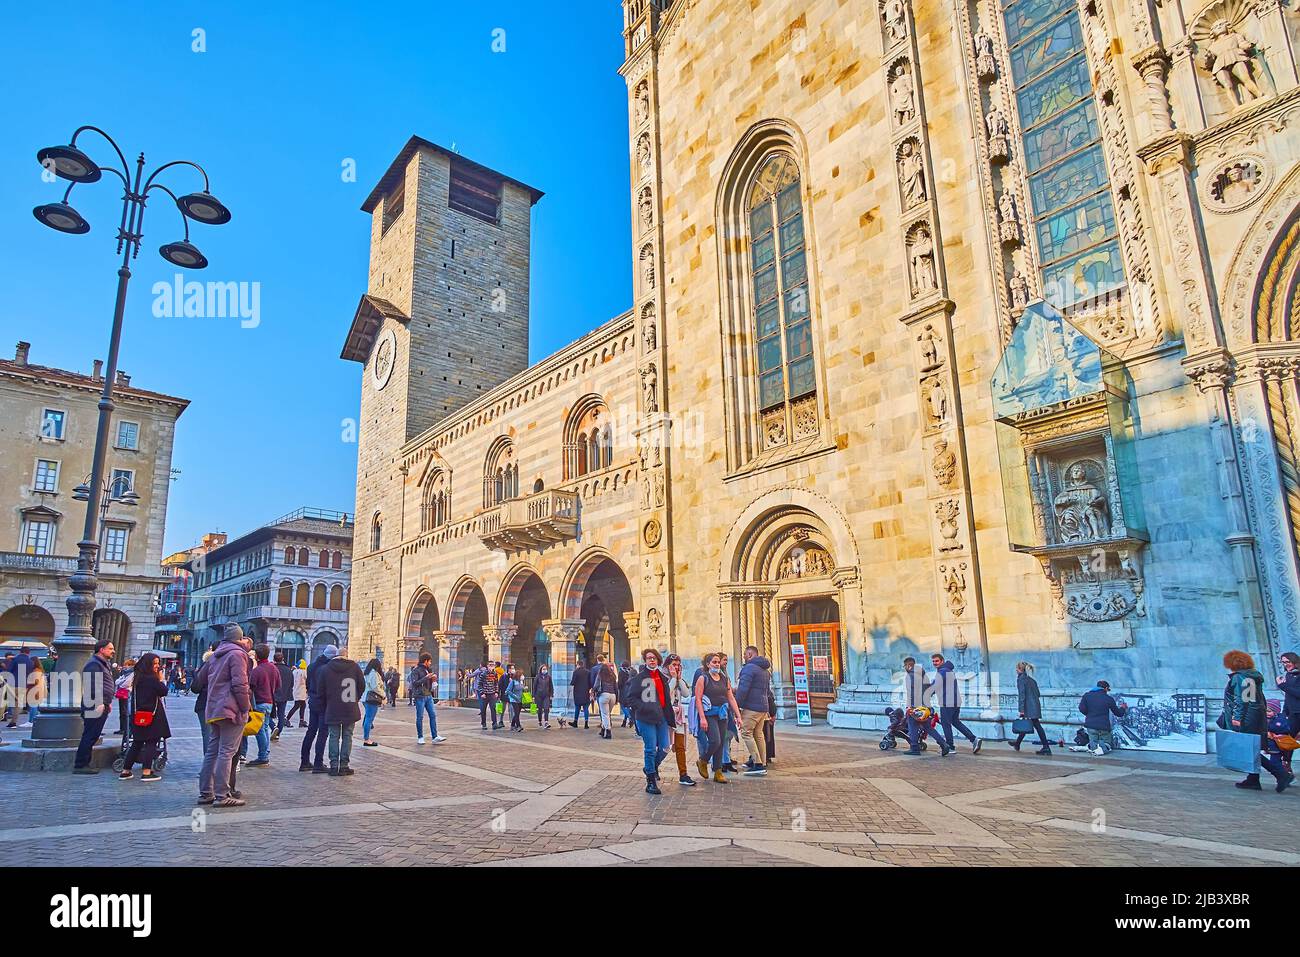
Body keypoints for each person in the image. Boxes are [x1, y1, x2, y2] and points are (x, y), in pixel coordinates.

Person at [197, 625, 252, 806]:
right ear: (239, 638)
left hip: (213, 709)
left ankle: (206, 793)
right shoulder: (237, 654)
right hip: (231, 709)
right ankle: (222, 794)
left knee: (212, 752)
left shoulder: (215, 655)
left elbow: (200, 679)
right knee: (226, 752)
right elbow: (240, 684)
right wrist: (245, 707)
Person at [625, 649, 676, 794]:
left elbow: (666, 699)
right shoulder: (640, 678)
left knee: (666, 747)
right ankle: (651, 782)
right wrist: (644, 707)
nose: (652, 661)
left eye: (654, 658)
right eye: (649, 658)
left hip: (662, 717)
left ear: (658, 660)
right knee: (650, 749)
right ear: (645, 661)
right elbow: (630, 698)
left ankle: (650, 767)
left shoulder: (662, 677)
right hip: (646, 718)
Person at [119, 653, 171, 782]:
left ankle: (126, 771)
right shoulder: (151, 679)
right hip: (152, 715)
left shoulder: (138, 677)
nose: (157, 666)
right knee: (151, 743)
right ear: (148, 664)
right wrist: (160, 679)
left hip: (138, 715)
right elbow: (163, 691)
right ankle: (146, 772)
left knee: (137, 743)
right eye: (155, 663)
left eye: (158, 663)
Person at [693, 652, 743, 783]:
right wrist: (702, 718)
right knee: (715, 740)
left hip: (723, 713)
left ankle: (718, 771)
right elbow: (698, 699)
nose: (716, 664)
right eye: (714, 662)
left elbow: (730, 697)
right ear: (708, 664)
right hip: (709, 714)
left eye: (717, 662)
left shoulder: (723, 678)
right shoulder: (703, 678)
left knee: (721, 742)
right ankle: (703, 760)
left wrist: (738, 716)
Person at [72, 639, 116, 774]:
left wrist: (107, 702)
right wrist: (100, 702)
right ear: (101, 649)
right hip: (94, 705)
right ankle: (81, 765)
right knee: (90, 735)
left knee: (93, 734)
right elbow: (92, 685)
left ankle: (84, 763)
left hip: (100, 704)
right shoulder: (94, 664)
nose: (113, 651)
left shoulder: (102, 664)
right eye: (110, 648)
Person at [320, 645, 364, 775]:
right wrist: (356, 698)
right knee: (347, 736)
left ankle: (334, 766)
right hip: (350, 706)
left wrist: (326, 701)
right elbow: (362, 685)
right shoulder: (355, 667)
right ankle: (344, 765)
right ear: (346, 655)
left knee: (333, 736)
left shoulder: (327, 668)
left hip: (333, 707)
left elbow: (321, 688)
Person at [928, 653, 982, 754]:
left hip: (947, 702)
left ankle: (950, 747)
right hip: (955, 701)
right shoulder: (948, 671)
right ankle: (974, 739)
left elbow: (935, 685)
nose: (935, 663)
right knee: (955, 722)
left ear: (942, 661)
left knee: (945, 724)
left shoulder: (943, 671)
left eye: (937, 661)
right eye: (933, 661)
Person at [900, 656, 948, 757]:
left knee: (912, 726)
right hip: (925, 705)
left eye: (904, 666)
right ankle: (943, 744)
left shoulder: (910, 676)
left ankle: (914, 748)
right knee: (928, 727)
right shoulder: (923, 674)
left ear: (909, 665)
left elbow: (911, 693)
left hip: (915, 706)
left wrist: (909, 707)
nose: (904, 668)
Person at [734, 644, 772, 775]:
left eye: (745, 654)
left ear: (750, 654)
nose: (744, 657)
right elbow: (768, 691)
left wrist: (736, 706)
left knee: (746, 732)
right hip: (762, 707)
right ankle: (762, 761)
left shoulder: (749, 668)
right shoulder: (765, 670)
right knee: (758, 734)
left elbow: (743, 689)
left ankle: (758, 763)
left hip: (751, 707)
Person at [663, 654, 695, 786]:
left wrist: (679, 679)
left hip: (679, 717)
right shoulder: (663, 678)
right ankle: (653, 769)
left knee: (680, 746)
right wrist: (673, 679)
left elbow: (686, 694)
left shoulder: (678, 679)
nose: (676, 667)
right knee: (664, 747)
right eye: (673, 664)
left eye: (677, 665)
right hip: (667, 716)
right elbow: (666, 694)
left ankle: (683, 774)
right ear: (667, 665)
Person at [246, 644, 280, 767]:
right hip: (270, 701)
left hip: (259, 702)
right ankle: (265, 753)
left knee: (260, 730)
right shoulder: (273, 668)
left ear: (257, 656)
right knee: (264, 728)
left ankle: (263, 756)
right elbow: (278, 685)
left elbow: (251, 687)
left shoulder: (257, 670)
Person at [300, 647, 333, 772]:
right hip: (323, 703)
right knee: (323, 733)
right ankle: (318, 763)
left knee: (311, 731)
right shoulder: (327, 668)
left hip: (313, 701)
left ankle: (304, 762)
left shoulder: (312, 666)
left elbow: (308, 684)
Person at [1008, 661, 1051, 755]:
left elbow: (1022, 695)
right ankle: (1017, 743)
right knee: (1028, 724)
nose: (1015, 670)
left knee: (1036, 725)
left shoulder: (1021, 679)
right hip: (1035, 705)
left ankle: (1046, 747)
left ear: (1019, 669)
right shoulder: (1031, 680)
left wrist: (1021, 709)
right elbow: (1038, 694)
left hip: (1028, 707)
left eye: (1016, 668)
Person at [1077, 679, 1126, 755]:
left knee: (1094, 746)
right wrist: (1123, 708)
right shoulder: (1108, 698)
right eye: (1108, 690)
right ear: (1106, 688)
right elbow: (1118, 713)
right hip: (1104, 727)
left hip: (1091, 725)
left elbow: (1081, 709)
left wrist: (1090, 715)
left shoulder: (1087, 696)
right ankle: (1102, 752)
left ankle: (1094, 755)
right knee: (1106, 745)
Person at [410, 653, 445, 744]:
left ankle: (435, 736)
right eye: (429, 661)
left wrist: (433, 679)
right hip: (420, 696)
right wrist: (426, 677)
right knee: (420, 717)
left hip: (428, 695)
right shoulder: (416, 670)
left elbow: (429, 683)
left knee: (433, 715)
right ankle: (420, 737)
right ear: (425, 661)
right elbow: (415, 683)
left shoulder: (428, 670)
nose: (430, 663)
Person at [1262, 699, 1296, 793]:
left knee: (1275, 762)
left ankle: (1284, 777)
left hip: (1277, 745)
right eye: (1265, 711)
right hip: (1271, 746)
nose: (1267, 713)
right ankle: (1282, 778)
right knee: (1275, 762)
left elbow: (1282, 727)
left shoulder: (1279, 720)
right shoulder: (1267, 719)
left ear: (1276, 711)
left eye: (1269, 711)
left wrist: (1269, 728)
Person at [593, 654, 619, 739]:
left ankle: (608, 731)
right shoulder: (613, 676)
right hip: (613, 695)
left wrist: (593, 691)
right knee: (607, 714)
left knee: (605, 714)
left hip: (604, 695)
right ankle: (603, 729)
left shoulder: (600, 675)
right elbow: (616, 687)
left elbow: (596, 685)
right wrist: (617, 699)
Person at [362, 656, 385, 747]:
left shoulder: (367, 673)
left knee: (367, 718)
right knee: (369, 719)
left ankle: (366, 735)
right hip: (371, 698)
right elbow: (375, 687)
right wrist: (383, 695)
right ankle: (366, 739)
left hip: (366, 698)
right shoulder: (373, 674)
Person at [1276, 651, 1300, 736]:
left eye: (1288, 662)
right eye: (1283, 662)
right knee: (1287, 739)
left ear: (1294, 661)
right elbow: (1288, 695)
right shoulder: (1288, 675)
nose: (1285, 664)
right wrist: (1284, 711)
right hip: (1292, 713)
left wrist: (1282, 685)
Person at [474, 661, 502, 730]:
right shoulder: (483, 674)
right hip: (485, 695)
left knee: (493, 709)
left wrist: (496, 692)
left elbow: (496, 683)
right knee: (483, 709)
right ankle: (484, 724)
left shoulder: (495, 674)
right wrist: (482, 693)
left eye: (493, 665)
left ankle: (494, 724)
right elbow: (479, 684)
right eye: (490, 665)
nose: (491, 666)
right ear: (487, 666)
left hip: (492, 694)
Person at [271, 651, 293, 740]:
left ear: (274, 659)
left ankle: (273, 727)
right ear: (283, 659)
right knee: (281, 715)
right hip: (284, 695)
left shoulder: (272, 668)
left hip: (272, 695)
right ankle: (278, 733)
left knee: (267, 715)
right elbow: (292, 683)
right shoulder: (288, 670)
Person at [113, 659, 137, 737]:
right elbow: (116, 681)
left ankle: (126, 728)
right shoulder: (125, 673)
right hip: (122, 693)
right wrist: (122, 681)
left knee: (126, 712)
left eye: (127, 665)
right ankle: (122, 728)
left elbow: (126, 684)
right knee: (121, 711)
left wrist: (121, 681)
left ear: (131, 665)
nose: (125, 666)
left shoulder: (133, 673)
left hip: (127, 693)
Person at [570, 659, 592, 729]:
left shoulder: (576, 672)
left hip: (577, 692)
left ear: (578, 665)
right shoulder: (588, 672)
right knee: (586, 708)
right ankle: (586, 723)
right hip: (585, 692)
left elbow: (573, 682)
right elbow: (590, 683)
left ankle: (575, 722)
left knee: (577, 708)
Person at [286, 659, 309, 727]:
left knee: (302, 705)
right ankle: (287, 719)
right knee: (297, 706)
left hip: (295, 690)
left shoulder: (294, 671)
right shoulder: (304, 672)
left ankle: (301, 721)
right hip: (302, 691)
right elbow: (307, 680)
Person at [533, 663, 554, 729]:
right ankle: (540, 720)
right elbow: (535, 686)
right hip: (538, 695)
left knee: (546, 708)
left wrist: (551, 694)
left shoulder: (549, 677)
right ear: (541, 670)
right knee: (540, 709)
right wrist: (533, 696)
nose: (545, 670)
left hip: (546, 695)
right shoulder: (537, 677)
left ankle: (546, 722)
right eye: (543, 669)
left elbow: (551, 686)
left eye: (545, 669)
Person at [506, 667, 525, 732]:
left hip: (520, 699)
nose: (522, 676)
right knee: (516, 713)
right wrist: (514, 696)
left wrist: (524, 688)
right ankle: (518, 726)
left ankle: (512, 725)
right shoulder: (513, 682)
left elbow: (521, 689)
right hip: (514, 700)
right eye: (521, 675)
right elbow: (508, 690)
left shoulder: (521, 682)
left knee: (517, 713)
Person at [618, 661, 636, 728]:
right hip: (631, 690)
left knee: (623, 706)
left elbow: (620, 684)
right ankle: (624, 721)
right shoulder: (631, 671)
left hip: (623, 691)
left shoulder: (621, 673)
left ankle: (630, 717)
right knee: (627, 706)